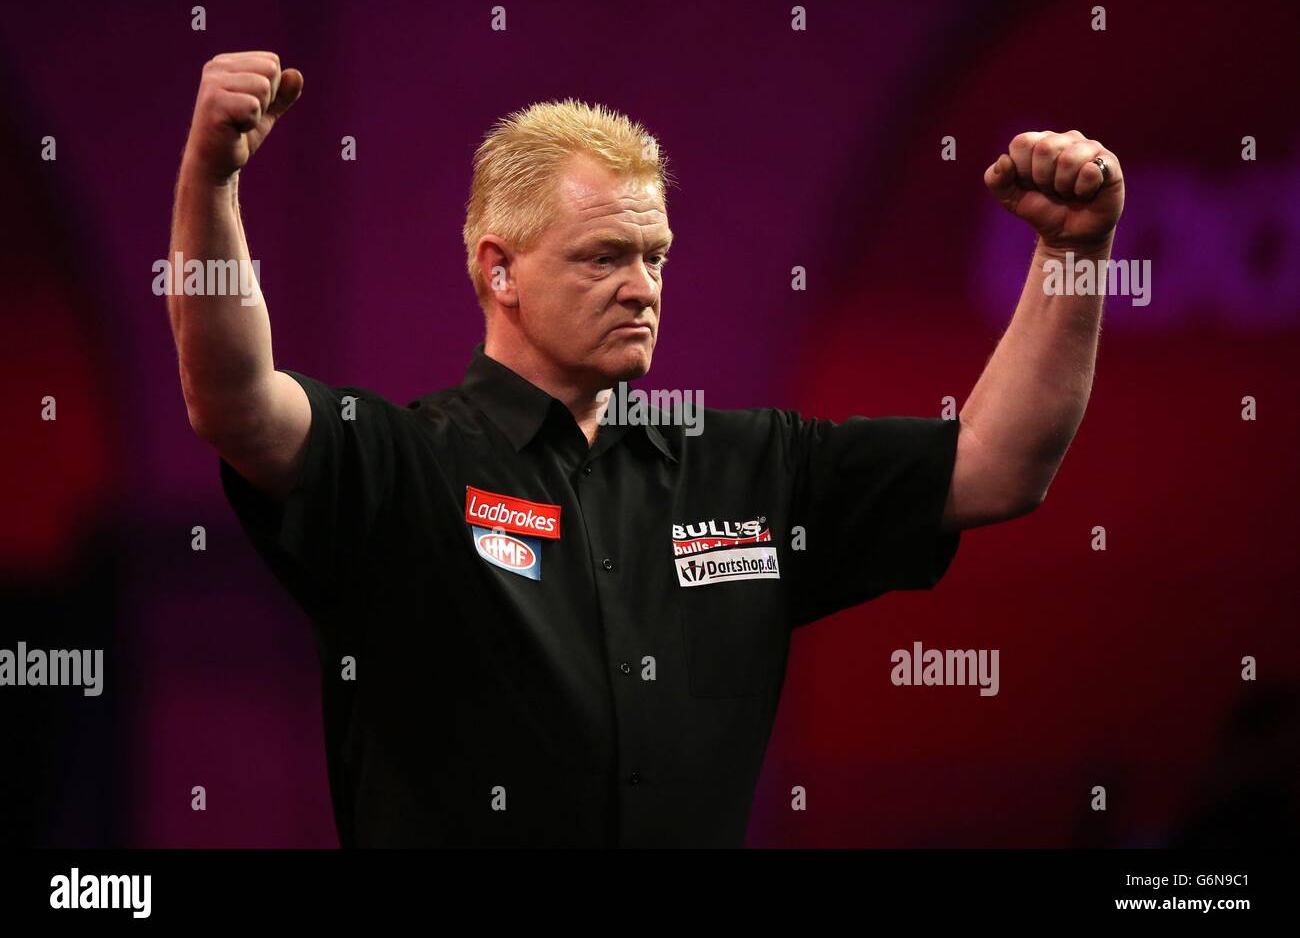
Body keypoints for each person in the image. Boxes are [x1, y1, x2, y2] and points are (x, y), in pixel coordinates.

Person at [166, 51, 1125, 847]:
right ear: (498, 268)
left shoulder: (750, 466)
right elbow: (238, 403)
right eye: (603, 257)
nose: (642, 287)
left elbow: (999, 462)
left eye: (654, 256)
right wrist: (213, 178)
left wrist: (1075, 255)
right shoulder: (400, 465)